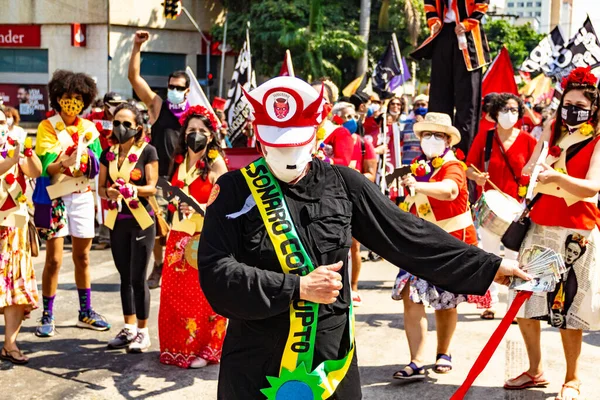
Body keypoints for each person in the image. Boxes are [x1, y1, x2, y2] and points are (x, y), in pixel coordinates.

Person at [196, 76, 529, 399]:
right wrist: (297, 287)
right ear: (259, 136)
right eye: (276, 142)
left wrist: (492, 266)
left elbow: (408, 236)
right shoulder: (232, 192)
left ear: (314, 133)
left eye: (295, 141)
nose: (286, 152)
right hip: (256, 364)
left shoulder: (344, 184)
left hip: (328, 365)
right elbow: (216, 271)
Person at [504, 67, 600, 400]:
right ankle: (535, 369)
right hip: (539, 227)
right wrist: (533, 170)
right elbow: (531, 167)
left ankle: (572, 379)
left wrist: (554, 179)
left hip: (577, 231)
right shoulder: (551, 130)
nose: (572, 109)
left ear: (593, 108)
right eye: (567, 103)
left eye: (580, 104)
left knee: (571, 307)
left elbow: (592, 187)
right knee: (525, 303)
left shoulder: (598, 138)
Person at [392, 112, 488, 378]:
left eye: (438, 135)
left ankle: (443, 352)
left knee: (446, 302)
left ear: (448, 141)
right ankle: (416, 359)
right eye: (426, 135)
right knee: (411, 296)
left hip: (448, 243)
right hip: (417, 243)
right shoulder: (418, 166)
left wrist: (420, 187)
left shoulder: (452, 166)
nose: (431, 139)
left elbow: (450, 191)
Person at [33, 70, 109, 337]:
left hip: (82, 197)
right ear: (57, 98)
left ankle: (85, 312)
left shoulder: (90, 129)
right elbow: (46, 166)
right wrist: (63, 163)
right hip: (56, 199)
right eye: (67, 97)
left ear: (86, 100)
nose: (72, 102)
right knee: (53, 260)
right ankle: (47, 314)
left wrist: (85, 162)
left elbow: (95, 164)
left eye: (78, 97)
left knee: (83, 257)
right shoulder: (47, 127)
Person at [159, 105, 228, 369]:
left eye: (202, 130)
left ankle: (208, 349)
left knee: (202, 295)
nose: (196, 134)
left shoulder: (215, 163)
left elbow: (224, 205)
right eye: (191, 130)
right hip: (178, 234)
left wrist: (198, 207)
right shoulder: (178, 160)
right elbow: (172, 194)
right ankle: (178, 348)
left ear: (211, 135)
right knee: (175, 295)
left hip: (204, 236)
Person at [128, 30, 190, 289]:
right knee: (156, 228)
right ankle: (158, 265)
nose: (174, 91)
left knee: (184, 228)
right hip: (158, 179)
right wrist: (136, 46)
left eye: (179, 88)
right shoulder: (157, 106)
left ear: (187, 91)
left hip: (184, 180)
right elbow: (134, 78)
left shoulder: (195, 115)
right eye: (171, 87)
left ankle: (181, 269)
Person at [466, 93, 537, 319]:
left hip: (518, 209)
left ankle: (514, 307)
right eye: (505, 109)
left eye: (514, 110)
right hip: (491, 208)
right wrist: (476, 177)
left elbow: (537, 170)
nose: (509, 114)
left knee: (516, 257)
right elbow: (468, 166)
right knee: (490, 253)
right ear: (495, 113)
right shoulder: (485, 138)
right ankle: (492, 302)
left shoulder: (528, 140)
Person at [97, 103, 158, 352]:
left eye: (126, 124)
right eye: (117, 123)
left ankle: (143, 331)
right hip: (117, 221)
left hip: (142, 219)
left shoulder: (148, 151)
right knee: (124, 277)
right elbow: (100, 188)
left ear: (138, 127)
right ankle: (129, 326)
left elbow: (152, 187)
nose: (120, 128)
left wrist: (134, 189)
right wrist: (109, 192)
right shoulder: (107, 154)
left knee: (138, 277)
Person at [411, 0, 491, 155]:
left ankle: (465, 154)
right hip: (443, 33)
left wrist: (469, 23)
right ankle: (435, 151)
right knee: (439, 97)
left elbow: (483, 3)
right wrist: (433, 21)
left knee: (467, 103)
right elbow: (430, 4)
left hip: (468, 37)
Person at [0, 108, 42, 364]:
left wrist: (26, 151)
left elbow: (36, 171)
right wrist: (13, 156)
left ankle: (10, 344)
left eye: (1, 119)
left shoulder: (13, 143)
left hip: (15, 223)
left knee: (15, 285)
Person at [86, 92, 127, 251]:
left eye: (119, 103)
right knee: (103, 200)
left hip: (120, 163)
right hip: (100, 163)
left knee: (120, 198)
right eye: (113, 104)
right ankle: (104, 236)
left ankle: (118, 235)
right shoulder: (94, 118)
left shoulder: (125, 116)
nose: (117, 107)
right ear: (105, 105)